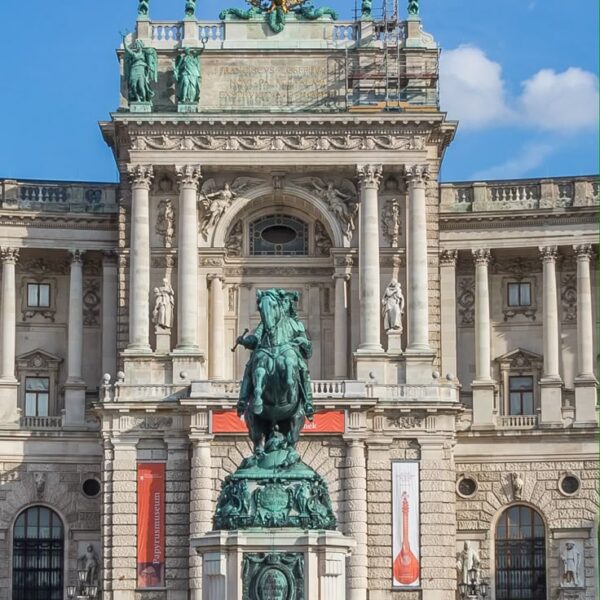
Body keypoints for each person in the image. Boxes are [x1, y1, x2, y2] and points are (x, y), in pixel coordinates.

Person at [237, 290, 314, 419]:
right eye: (282, 301)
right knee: (250, 366)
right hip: (267, 350)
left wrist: (304, 341)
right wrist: (245, 341)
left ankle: (308, 402)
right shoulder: (266, 323)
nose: (284, 304)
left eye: (287, 302)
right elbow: (255, 339)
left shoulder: (296, 325)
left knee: (303, 368)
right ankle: (243, 400)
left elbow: (308, 353)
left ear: (291, 305)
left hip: (290, 354)